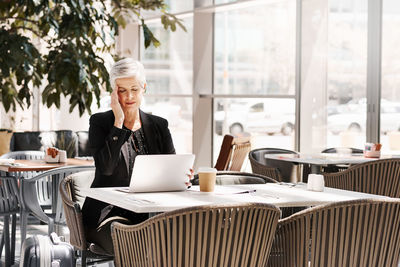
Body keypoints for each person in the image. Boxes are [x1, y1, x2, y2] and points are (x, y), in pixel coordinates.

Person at [82, 58, 180, 255]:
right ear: (113, 92)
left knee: (182, 237)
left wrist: (183, 176)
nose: (129, 96)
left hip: (149, 214)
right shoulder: (100, 123)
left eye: (134, 89)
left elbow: (172, 168)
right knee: (141, 244)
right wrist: (119, 123)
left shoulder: (159, 125)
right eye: (122, 90)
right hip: (108, 217)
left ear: (144, 87)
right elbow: (107, 169)